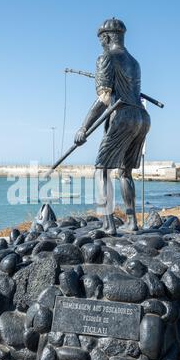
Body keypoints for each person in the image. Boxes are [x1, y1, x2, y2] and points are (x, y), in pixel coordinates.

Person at [74, 18, 151, 234]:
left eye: (101, 40)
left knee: (102, 170)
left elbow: (104, 99)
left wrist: (84, 128)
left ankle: (108, 224)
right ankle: (132, 222)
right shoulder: (135, 63)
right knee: (125, 172)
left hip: (123, 117)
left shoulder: (105, 57)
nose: (101, 44)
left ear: (106, 37)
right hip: (142, 118)